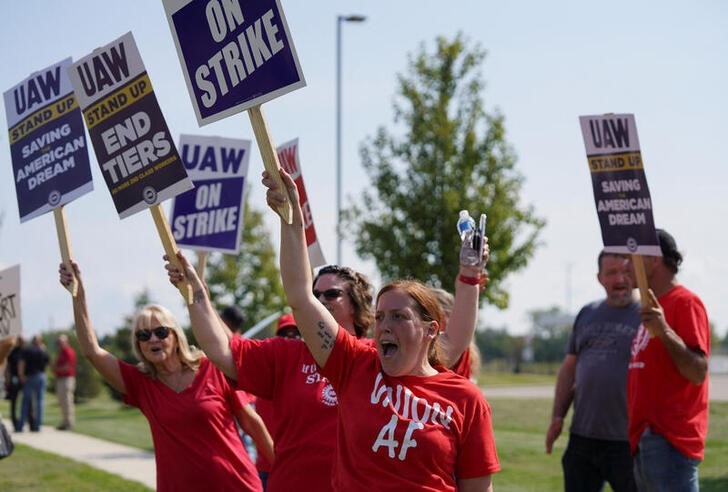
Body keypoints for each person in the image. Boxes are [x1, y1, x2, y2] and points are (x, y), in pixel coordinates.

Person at [166, 168, 499, 491]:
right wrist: (291, 219)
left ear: (430, 331)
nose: (385, 326)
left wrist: (469, 275)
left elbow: (478, 485)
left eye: (399, 316)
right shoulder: (355, 366)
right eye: (382, 317)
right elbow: (299, 295)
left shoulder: (463, 397)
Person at [59, 262, 262, 492]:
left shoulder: (211, 366)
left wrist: (277, 467)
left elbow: (250, 422)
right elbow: (92, 351)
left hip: (237, 485)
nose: (153, 339)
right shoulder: (140, 383)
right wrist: (78, 295)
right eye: (144, 335)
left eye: (161, 332)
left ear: (175, 336)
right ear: (138, 344)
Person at [545, 251, 640, 491]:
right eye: (612, 273)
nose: (620, 279)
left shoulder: (647, 316)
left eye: (627, 272)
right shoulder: (587, 313)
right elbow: (569, 369)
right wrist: (558, 417)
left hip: (629, 442)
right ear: (600, 278)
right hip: (583, 440)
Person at [627, 229, 710, 491]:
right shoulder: (651, 306)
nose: (627, 266)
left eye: (633, 258)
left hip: (670, 442)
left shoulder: (685, 302)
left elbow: (698, 371)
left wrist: (665, 331)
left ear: (654, 259)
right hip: (645, 440)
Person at [254, 313, 301, 489]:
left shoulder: (309, 376)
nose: (291, 339)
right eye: (284, 334)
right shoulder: (268, 370)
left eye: (296, 333)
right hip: (267, 468)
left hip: (296, 468)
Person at [17, 334, 49, 432]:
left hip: (30, 377)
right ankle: (37, 426)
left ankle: (21, 425)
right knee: (39, 402)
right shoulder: (43, 350)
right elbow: (48, 362)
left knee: (25, 402)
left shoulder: (27, 350)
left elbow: (21, 363)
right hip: (41, 376)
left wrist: (21, 375)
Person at [53, 334, 77, 430]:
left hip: (67, 379)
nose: (59, 344)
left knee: (67, 401)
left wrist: (56, 369)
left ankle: (69, 423)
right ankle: (64, 422)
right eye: (58, 342)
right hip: (60, 379)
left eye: (61, 342)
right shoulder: (61, 353)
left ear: (66, 342)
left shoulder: (68, 352)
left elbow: (67, 367)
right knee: (62, 402)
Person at [4, 336, 26, 431]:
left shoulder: (27, 351)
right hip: (14, 379)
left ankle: (27, 421)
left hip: (25, 380)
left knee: (26, 402)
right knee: (13, 402)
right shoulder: (12, 352)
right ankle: (14, 421)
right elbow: (7, 367)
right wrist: (7, 380)